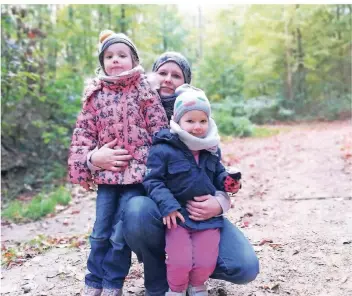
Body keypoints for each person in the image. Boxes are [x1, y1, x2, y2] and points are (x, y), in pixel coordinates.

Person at [87, 52, 259, 296]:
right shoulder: (130, 111)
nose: (168, 79)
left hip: (198, 214)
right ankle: (161, 280)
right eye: (162, 73)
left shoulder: (197, 117)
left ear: (185, 82)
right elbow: (90, 137)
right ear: (151, 77)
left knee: (244, 266)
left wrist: (220, 203)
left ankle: (194, 273)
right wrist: (92, 159)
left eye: (176, 75)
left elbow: (217, 169)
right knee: (136, 210)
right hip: (155, 211)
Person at [67, 30, 168, 296]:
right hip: (107, 178)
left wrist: (158, 165)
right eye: (109, 56)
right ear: (102, 63)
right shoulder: (95, 94)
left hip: (136, 176)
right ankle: (94, 279)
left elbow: (159, 127)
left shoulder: (144, 90)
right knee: (100, 231)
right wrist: (87, 162)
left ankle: (113, 282)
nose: (115, 60)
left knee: (119, 235)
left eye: (122, 55)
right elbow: (83, 134)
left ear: (134, 60)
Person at [143, 84, 243, 296]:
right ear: (178, 121)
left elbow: (218, 175)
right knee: (180, 258)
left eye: (202, 121)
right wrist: (168, 206)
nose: (197, 127)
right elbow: (153, 180)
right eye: (190, 121)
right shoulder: (164, 148)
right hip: (178, 216)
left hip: (208, 220)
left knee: (206, 258)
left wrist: (229, 183)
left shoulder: (210, 150)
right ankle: (177, 289)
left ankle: (197, 286)